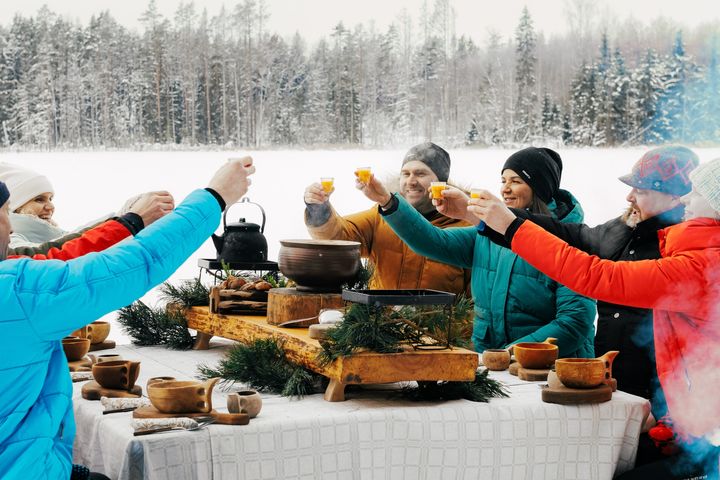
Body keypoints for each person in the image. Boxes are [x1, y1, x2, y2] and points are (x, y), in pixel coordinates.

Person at [0, 157, 255, 479]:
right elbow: (135, 263)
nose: (10, 226)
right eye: (5, 213)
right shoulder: (15, 292)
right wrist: (215, 198)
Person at [470, 157, 720, 480]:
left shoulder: (701, 268)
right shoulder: (690, 255)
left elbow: (596, 277)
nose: (687, 197)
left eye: (696, 192)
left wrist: (511, 226)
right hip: (686, 424)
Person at [356, 146, 596, 356]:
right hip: (491, 363)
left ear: (540, 189)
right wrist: (388, 201)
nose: (505, 190)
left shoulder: (568, 242)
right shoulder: (490, 234)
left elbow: (574, 322)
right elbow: (431, 241)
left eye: (516, 181)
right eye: (503, 181)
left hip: (553, 371)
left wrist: (512, 354)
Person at [303, 142, 471, 295]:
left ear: (440, 182)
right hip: (383, 324)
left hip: (438, 328)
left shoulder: (465, 226)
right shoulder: (381, 217)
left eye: (420, 174)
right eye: (405, 174)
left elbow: (477, 300)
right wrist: (319, 210)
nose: (411, 181)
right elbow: (337, 239)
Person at [0, 162, 145, 248]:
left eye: (51, 199)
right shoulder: (11, 243)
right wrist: (122, 222)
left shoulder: (48, 235)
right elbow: (64, 250)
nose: (50, 207)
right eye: (39, 199)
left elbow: (70, 237)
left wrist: (120, 216)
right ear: (15, 206)